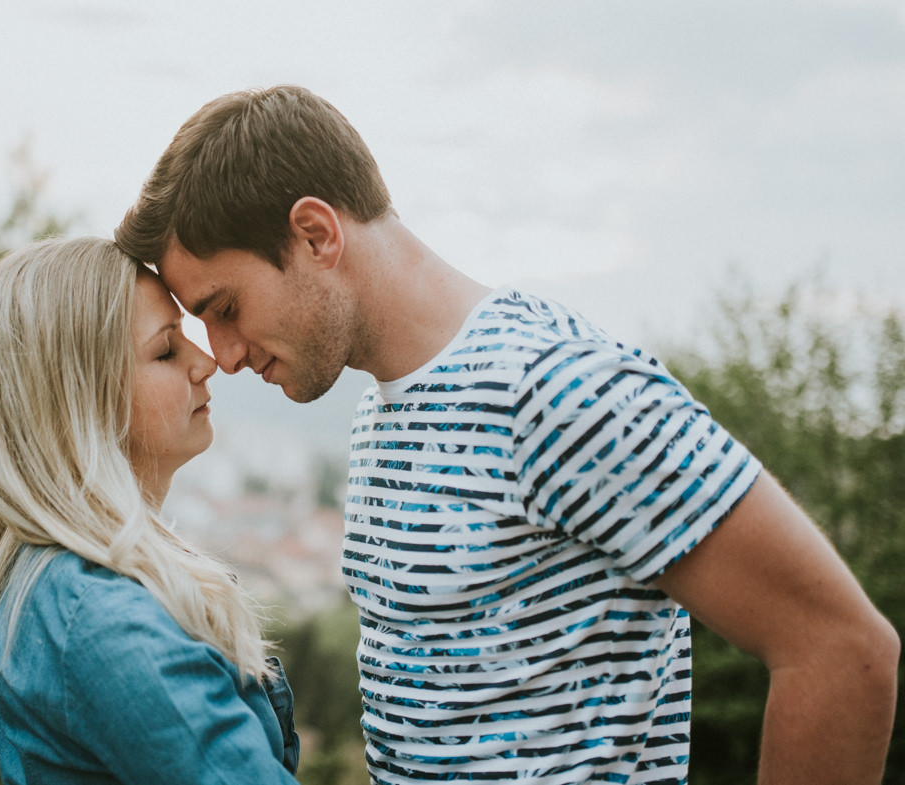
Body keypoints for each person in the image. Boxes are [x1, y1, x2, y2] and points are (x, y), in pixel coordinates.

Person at [113, 85, 900, 784]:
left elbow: (841, 649)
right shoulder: (378, 409)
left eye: (224, 308)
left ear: (316, 235)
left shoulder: (556, 390)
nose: (225, 354)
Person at [0, 237, 300, 784]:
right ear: (81, 401)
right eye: (165, 350)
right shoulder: (98, 618)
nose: (206, 363)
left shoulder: (55, 588)